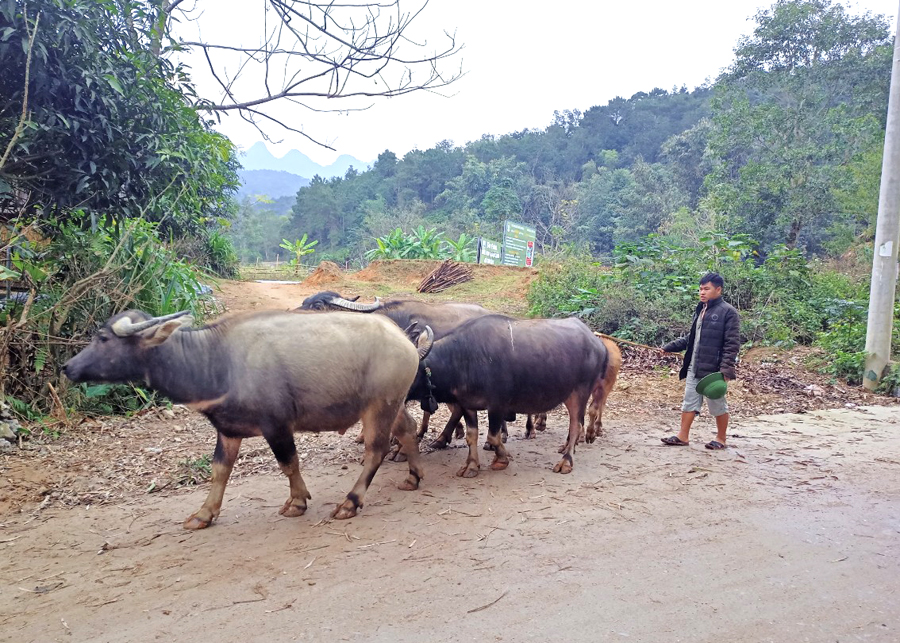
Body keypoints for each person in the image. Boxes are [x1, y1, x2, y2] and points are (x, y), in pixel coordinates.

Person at [660, 272, 740, 450]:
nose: (702, 292)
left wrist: (726, 370)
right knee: (689, 401)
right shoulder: (701, 309)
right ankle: (683, 436)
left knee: (717, 404)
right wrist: (670, 347)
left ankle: (721, 439)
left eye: (706, 289)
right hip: (694, 366)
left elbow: (732, 344)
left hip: (713, 370)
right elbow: (692, 337)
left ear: (718, 290)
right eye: (700, 289)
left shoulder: (728, 312)